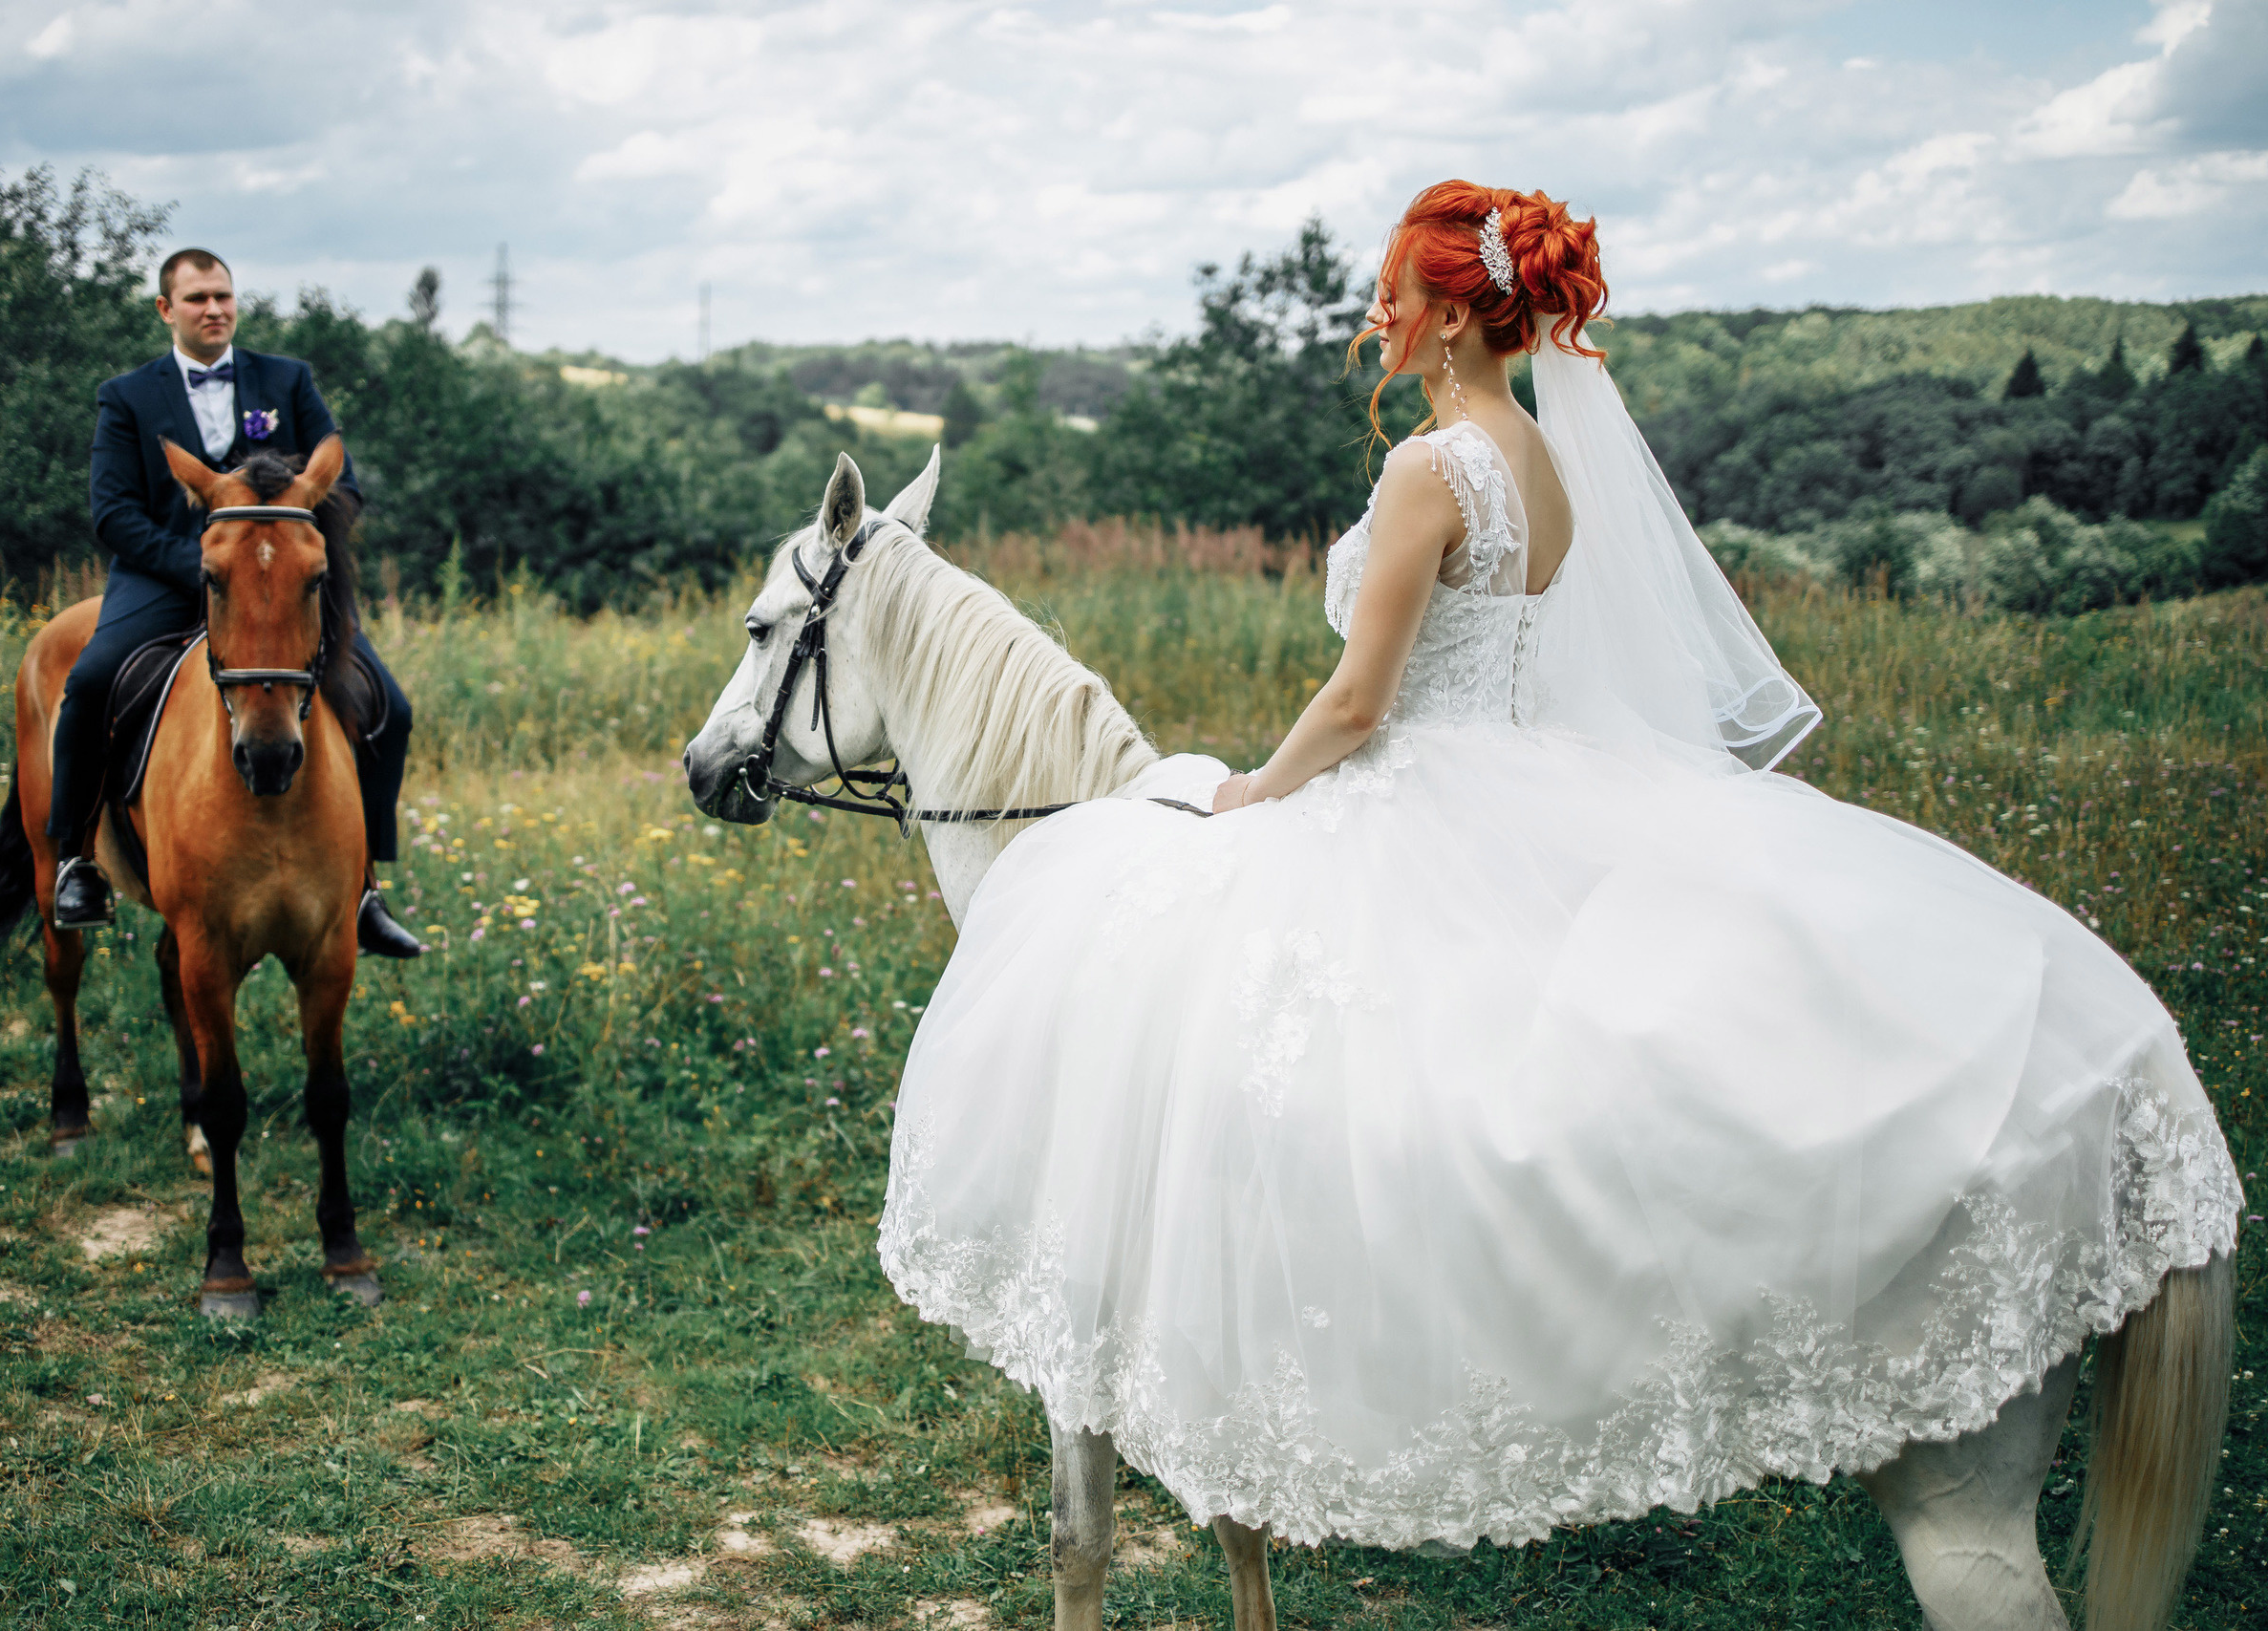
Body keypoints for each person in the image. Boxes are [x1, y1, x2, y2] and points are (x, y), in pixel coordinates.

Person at [877, 183, 2238, 1552]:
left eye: (1398, 294)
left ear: (1461, 313)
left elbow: (1361, 703)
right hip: (1515, 774)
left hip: (1415, 787)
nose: (1378, 317)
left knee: (1254, 1025)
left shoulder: (1428, 470)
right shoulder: (1540, 462)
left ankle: (1295, 1339)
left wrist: (1250, 788)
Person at [51, 247, 420, 957]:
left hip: (278, 587)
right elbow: (112, 511)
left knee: (390, 708)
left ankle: (367, 887)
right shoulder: (125, 395)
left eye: (222, 295)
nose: (213, 308)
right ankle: (77, 858)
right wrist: (198, 565)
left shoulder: (287, 379)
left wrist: (291, 530)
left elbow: (344, 488)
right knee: (91, 680)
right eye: (196, 299)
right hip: (166, 578)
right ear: (167, 310)